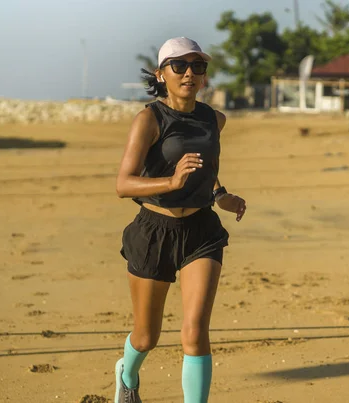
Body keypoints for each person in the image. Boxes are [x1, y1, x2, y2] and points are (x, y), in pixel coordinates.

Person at [114, 37, 247, 403]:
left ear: (204, 76)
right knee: (146, 337)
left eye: (198, 66)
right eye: (179, 66)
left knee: (195, 331)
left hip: (201, 232)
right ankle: (127, 376)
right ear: (162, 74)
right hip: (154, 232)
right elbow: (123, 184)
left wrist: (221, 195)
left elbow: (206, 169)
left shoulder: (213, 119)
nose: (190, 73)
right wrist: (171, 182)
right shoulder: (148, 119)